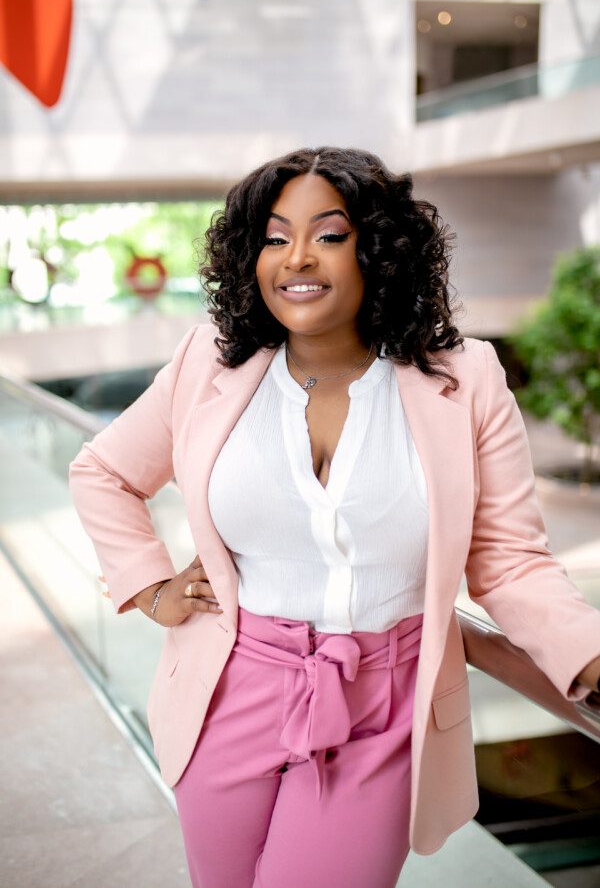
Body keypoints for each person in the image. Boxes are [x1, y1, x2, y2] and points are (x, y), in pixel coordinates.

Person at [69, 147, 600, 888]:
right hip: (228, 687)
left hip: (383, 703)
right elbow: (103, 472)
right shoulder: (207, 365)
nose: (297, 258)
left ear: (377, 250)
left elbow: (510, 561)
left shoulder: (468, 380)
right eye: (275, 237)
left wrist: (589, 655)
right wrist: (152, 587)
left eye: (329, 234)